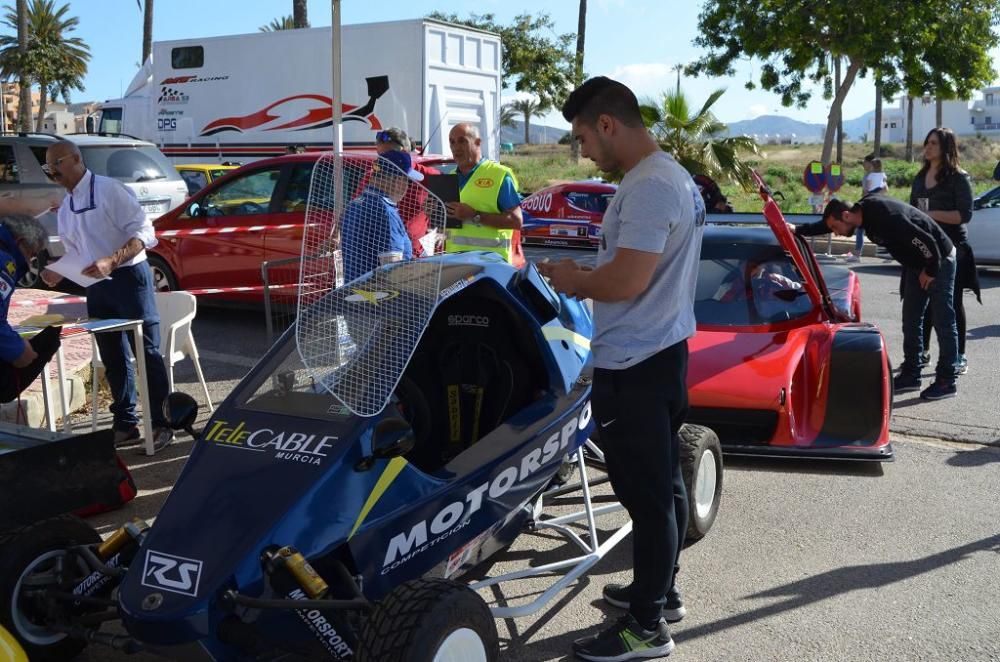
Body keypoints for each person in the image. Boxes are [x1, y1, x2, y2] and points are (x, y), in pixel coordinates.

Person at [539, 76, 705, 661]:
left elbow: (628, 280)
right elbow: (639, 269)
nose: (583, 150)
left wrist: (574, 280)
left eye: (583, 136)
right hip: (658, 352)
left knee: (646, 494)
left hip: (636, 360)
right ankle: (661, 592)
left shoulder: (651, 186)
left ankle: (646, 629)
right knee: (662, 487)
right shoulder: (666, 177)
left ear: (607, 124)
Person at [39, 140, 174, 450]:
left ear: (75, 158)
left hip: (130, 278)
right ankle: (126, 425)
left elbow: (144, 232)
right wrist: (58, 269)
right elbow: (76, 252)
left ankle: (162, 423)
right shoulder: (67, 205)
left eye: (57, 164)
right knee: (113, 357)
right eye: (48, 167)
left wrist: (112, 260)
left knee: (147, 354)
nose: (53, 172)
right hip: (96, 286)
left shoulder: (111, 190)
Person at [796, 196, 958, 400]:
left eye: (835, 227)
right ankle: (911, 374)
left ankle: (947, 381)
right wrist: (797, 230)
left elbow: (926, 241)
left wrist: (931, 270)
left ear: (846, 215)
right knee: (911, 319)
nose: (835, 233)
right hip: (917, 264)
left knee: (943, 321)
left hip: (938, 260)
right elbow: (825, 224)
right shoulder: (859, 215)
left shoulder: (887, 217)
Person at [909, 128, 978, 375]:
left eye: (934, 143)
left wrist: (931, 215)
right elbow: (911, 210)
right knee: (923, 301)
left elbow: (964, 215)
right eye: (927, 142)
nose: (928, 147)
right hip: (925, 248)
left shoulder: (958, 178)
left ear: (946, 147)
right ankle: (921, 351)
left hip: (953, 249)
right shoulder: (920, 177)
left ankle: (958, 356)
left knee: (951, 303)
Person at [445, 122, 525, 268]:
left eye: (462, 141)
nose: (456, 147)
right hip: (455, 266)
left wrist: (475, 215)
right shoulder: (449, 177)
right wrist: (435, 212)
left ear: (477, 142)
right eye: (452, 142)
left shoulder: (498, 175)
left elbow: (516, 221)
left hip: (490, 268)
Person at [0, 214, 61, 404]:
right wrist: (17, 350)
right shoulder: (4, 262)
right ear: (20, 242)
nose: (32, 260)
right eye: (32, 253)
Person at [340, 150, 421, 282]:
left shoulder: (355, 204)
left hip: (355, 293)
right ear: (399, 181)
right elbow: (393, 271)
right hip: (378, 297)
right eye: (408, 181)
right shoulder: (386, 212)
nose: (407, 187)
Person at [369, 127, 441, 256]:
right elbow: (354, 205)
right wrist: (337, 235)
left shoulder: (431, 176)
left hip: (415, 257)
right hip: (384, 253)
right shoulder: (374, 176)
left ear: (403, 152)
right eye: (380, 156)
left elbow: (451, 214)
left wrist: (435, 218)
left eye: (386, 156)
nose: (382, 162)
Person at [847, 156, 889, 263]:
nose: (863, 165)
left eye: (864, 163)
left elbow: (866, 192)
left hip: (867, 204)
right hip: (877, 203)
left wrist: (870, 195)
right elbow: (885, 189)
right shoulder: (881, 175)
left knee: (860, 229)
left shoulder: (869, 176)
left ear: (870, 164)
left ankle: (856, 255)